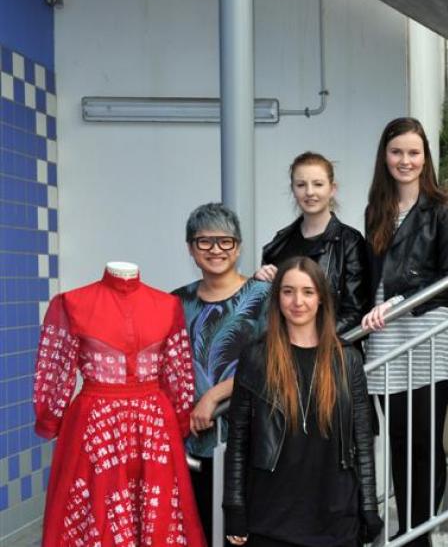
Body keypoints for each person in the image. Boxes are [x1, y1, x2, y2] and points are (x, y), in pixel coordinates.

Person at [34, 262, 206, 546]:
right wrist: (180, 419)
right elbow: (179, 378)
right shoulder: (71, 302)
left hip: (119, 421)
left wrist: (50, 418)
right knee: (104, 501)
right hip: (134, 422)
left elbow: (178, 370)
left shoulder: (168, 305)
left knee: (133, 504)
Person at [223, 257, 382, 547]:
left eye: (308, 292)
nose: (298, 301)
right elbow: (238, 441)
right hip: (271, 518)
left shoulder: (347, 360)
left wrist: (369, 507)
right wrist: (234, 508)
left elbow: (362, 441)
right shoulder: (256, 357)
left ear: (321, 298)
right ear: (277, 298)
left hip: (336, 519)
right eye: (288, 291)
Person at [361, 117, 448, 546]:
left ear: (426, 159)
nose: (405, 160)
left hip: (426, 332)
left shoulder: (443, 209)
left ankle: (420, 533)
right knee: (400, 442)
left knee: (425, 440)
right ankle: (406, 528)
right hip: (384, 335)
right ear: (385, 157)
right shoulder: (376, 210)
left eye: (413, 153)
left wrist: (399, 304)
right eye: (397, 152)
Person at [173, 202, 270, 542]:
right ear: (191, 248)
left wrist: (213, 396)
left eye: (225, 241)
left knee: (244, 532)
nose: (216, 249)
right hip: (194, 441)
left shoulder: (263, 295)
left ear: (239, 247)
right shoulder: (176, 303)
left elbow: (271, 361)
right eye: (204, 241)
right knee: (200, 530)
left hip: (250, 437)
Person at [256, 152, 369, 335]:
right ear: (293, 189)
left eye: (318, 184)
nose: (309, 192)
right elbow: (267, 311)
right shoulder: (278, 245)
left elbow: (355, 312)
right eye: (301, 185)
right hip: (285, 354)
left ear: (332, 189)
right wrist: (258, 284)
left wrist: (314, 340)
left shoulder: (350, 242)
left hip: (332, 353)